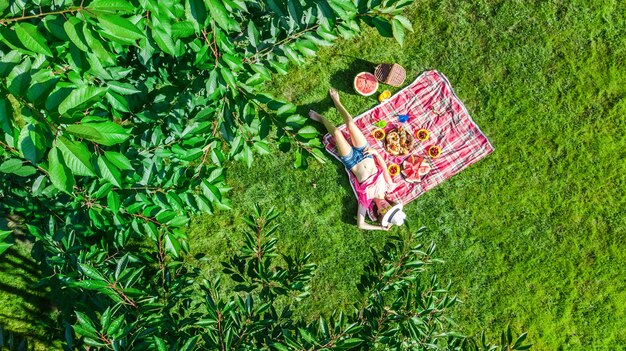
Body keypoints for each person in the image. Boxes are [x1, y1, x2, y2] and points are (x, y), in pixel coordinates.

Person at [308, 88, 407, 231]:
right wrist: (375, 153)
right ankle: (336, 101)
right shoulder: (388, 188)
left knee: (336, 132)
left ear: (379, 212)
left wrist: (382, 228)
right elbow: (384, 167)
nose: (385, 207)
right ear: (391, 204)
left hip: (351, 161)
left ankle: (322, 119)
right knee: (350, 123)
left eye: (384, 212)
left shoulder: (365, 200)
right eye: (390, 208)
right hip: (367, 153)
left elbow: (361, 224)